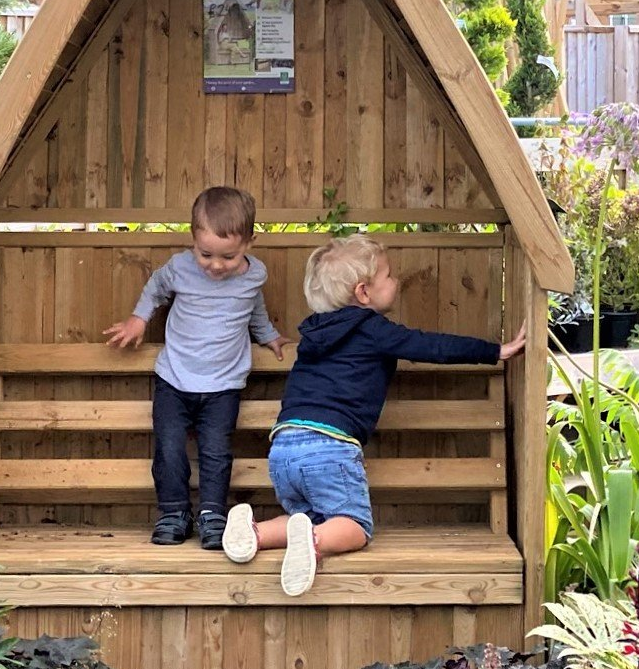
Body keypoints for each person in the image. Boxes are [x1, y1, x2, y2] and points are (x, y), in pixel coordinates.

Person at [219, 235, 527, 595]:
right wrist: (495, 350)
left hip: (283, 447)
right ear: (363, 292)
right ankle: (314, 543)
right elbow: (430, 346)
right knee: (354, 526)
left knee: (310, 517)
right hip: (329, 448)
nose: (396, 281)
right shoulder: (371, 328)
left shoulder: (316, 333)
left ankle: (252, 532)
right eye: (390, 275)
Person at [104, 186, 287, 549]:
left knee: (216, 451)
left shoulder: (254, 276)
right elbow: (155, 289)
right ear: (193, 240)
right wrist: (139, 319)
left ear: (250, 242)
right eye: (206, 254)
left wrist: (268, 335)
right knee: (169, 448)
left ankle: (212, 516)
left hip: (224, 386)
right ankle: (173, 513)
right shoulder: (180, 269)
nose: (216, 265)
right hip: (174, 379)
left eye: (228, 257)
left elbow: (254, 310)